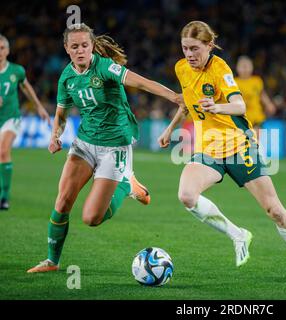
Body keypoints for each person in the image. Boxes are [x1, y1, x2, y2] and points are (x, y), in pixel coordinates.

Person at [158, 21, 286, 281]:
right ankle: (237, 234)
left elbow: (239, 106)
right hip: (208, 147)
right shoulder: (182, 68)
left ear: (209, 45)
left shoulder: (220, 68)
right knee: (187, 195)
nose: (189, 55)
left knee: (275, 211)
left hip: (238, 145)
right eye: (185, 48)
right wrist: (170, 130)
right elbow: (186, 103)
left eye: (195, 49)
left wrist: (217, 107)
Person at [27, 23, 182, 273]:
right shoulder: (66, 77)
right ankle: (52, 261)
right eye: (74, 46)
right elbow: (61, 114)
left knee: (91, 218)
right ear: (66, 48)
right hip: (85, 143)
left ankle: (126, 184)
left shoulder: (105, 67)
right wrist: (55, 136)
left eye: (85, 45)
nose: (80, 51)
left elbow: (140, 83)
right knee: (63, 200)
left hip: (115, 145)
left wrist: (174, 97)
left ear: (92, 46)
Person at [0, 34, 50, 210]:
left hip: (10, 117)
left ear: (7, 50)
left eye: (2, 48)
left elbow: (25, 86)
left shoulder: (16, 71)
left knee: (3, 151)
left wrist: (39, 107)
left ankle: (4, 197)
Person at [235, 55, 276, 131]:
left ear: (252, 67)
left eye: (247, 66)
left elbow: (262, 94)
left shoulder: (257, 81)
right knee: (244, 141)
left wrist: (268, 104)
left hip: (257, 117)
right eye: (243, 66)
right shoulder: (234, 82)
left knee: (254, 140)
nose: (245, 69)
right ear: (237, 68)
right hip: (241, 118)